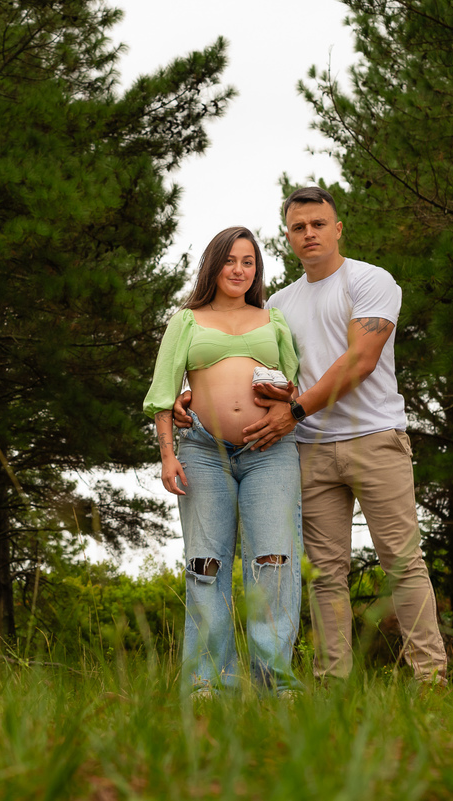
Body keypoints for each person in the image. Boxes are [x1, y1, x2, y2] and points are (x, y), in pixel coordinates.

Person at [174, 187, 447, 685]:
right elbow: (254, 366)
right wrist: (194, 396)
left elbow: (360, 360)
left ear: (337, 229)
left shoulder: (370, 280)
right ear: (288, 237)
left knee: (403, 563)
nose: (309, 234)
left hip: (374, 437)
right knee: (325, 573)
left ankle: (430, 679)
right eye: (298, 227)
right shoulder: (280, 304)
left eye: (318, 224)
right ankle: (331, 683)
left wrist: (295, 410)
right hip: (310, 448)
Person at [144, 226, 304, 697]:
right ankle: (208, 683)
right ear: (213, 266)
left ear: (257, 269)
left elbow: (294, 386)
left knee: (274, 561)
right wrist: (168, 456)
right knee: (204, 564)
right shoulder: (186, 321)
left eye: (248, 261)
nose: (239, 269)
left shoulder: (273, 319)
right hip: (202, 451)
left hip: (269, 452)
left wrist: (283, 399)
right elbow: (162, 393)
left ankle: (275, 682)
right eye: (230, 260)